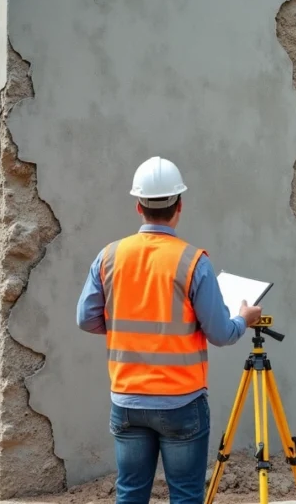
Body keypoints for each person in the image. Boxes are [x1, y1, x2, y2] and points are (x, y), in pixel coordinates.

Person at [76, 156, 262, 504]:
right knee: (186, 496)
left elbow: (86, 318)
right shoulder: (193, 262)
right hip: (181, 402)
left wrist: (121, 329)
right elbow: (221, 333)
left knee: (130, 493)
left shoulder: (109, 257)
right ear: (180, 206)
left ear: (138, 206)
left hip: (127, 400)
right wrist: (243, 318)